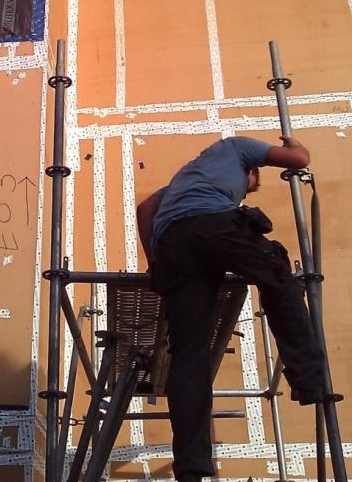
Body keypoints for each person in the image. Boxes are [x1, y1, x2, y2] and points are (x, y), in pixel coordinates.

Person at [136, 135, 325, 482]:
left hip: (174, 247)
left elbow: (145, 210)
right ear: (251, 171)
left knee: (189, 355)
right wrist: (297, 145)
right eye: (251, 184)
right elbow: (298, 159)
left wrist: (156, 263)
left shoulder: (181, 181)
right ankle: (310, 381)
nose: (247, 189)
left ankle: (191, 466)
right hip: (214, 224)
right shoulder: (238, 148)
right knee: (277, 274)